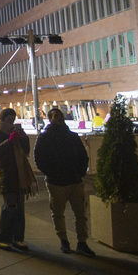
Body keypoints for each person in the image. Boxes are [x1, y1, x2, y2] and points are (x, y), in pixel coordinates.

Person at [34, 108, 96, 257]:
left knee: (79, 213)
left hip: (73, 179)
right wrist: (51, 172)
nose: (59, 118)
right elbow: (39, 159)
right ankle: (65, 241)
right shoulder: (47, 137)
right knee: (61, 213)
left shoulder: (69, 136)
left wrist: (80, 171)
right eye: (55, 116)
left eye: (60, 115)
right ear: (50, 118)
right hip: (58, 181)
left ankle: (80, 242)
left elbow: (82, 155)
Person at [0, 108, 37, 251]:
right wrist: (9, 141)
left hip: (19, 173)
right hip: (6, 173)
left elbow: (25, 151)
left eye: (13, 120)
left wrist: (23, 138)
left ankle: (18, 238)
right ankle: (3, 238)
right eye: (9, 120)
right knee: (10, 206)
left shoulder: (13, 132)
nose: (11, 123)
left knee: (19, 207)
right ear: (2, 119)